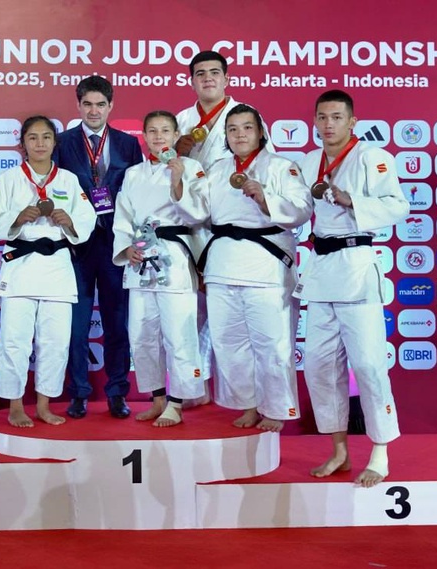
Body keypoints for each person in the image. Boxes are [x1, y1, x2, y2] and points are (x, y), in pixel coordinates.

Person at [294, 89, 409, 488]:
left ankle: (380, 452)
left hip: (357, 266)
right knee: (319, 365)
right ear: (314, 121)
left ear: (352, 121)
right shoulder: (309, 161)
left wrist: (351, 200)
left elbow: (398, 206)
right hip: (322, 268)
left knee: (369, 365)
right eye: (322, 117)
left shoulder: (372, 157)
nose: (328, 124)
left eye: (337, 117)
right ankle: (339, 450)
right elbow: (298, 209)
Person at [198, 104, 312, 432]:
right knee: (228, 341)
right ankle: (247, 404)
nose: (240, 135)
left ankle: (275, 409)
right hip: (223, 263)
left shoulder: (282, 167)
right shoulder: (217, 170)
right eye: (232, 129)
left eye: (247, 128)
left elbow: (302, 210)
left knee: (273, 342)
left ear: (260, 132)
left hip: (266, 265)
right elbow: (198, 212)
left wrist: (265, 199)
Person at [174, 50, 276, 408]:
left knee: (232, 316)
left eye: (214, 72)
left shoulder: (245, 115)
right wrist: (176, 152)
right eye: (200, 73)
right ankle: (196, 386)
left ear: (226, 78)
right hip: (190, 220)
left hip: (232, 224)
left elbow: (265, 163)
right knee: (194, 309)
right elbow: (163, 169)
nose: (208, 79)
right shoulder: (182, 119)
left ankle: (244, 394)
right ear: (191, 80)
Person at [0, 116, 96, 428]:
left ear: (55, 143)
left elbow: (87, 219)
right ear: (23, 144)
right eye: (33, 137)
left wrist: (68, 221)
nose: (40, 143)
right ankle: (16, 406)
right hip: (21, 267)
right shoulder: (9, 179)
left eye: (46, 137)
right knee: (14, 341)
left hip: (56, 268)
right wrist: (17, 218)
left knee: (55, 342)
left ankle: (44, 404)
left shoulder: (68, 180)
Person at [53, 75, 143, 419]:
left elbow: (137, 193)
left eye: (100, 104)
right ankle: (78, 393)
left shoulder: (128, 144)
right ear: (78, 105)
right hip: (75, 246)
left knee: (117, 322)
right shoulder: (62, 143)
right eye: (88, 104)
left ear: (111, 106)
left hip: (115, 245)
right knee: (76, 325)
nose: (94, 111)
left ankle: (118, 392)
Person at [112, 111, 209, 427]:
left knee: (179, 333)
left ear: (176, 134)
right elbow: (123, 217)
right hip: (140, 256)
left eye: (165, 131)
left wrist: (177, 181)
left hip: (174, 257)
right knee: (142, 333)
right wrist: (125, 248)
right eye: (152, 131)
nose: (158, 137)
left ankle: (178, 401)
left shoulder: (191, 168)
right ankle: (157, 399)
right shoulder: (133, 173)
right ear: (144, 136)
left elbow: (199, 214)